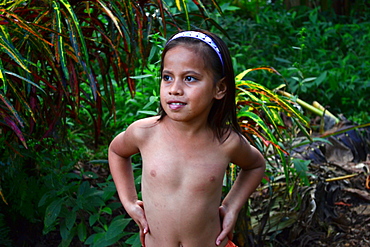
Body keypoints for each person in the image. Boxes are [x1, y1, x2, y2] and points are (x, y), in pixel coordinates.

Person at [108, 30, 266, 247]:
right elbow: (117, 151)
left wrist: (231, 207)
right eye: (167, 77)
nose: (174, 89)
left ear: (219, 88)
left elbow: (255, 165)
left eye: (190, 78)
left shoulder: (226, 142)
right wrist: (129, 201)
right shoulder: (145, 132)